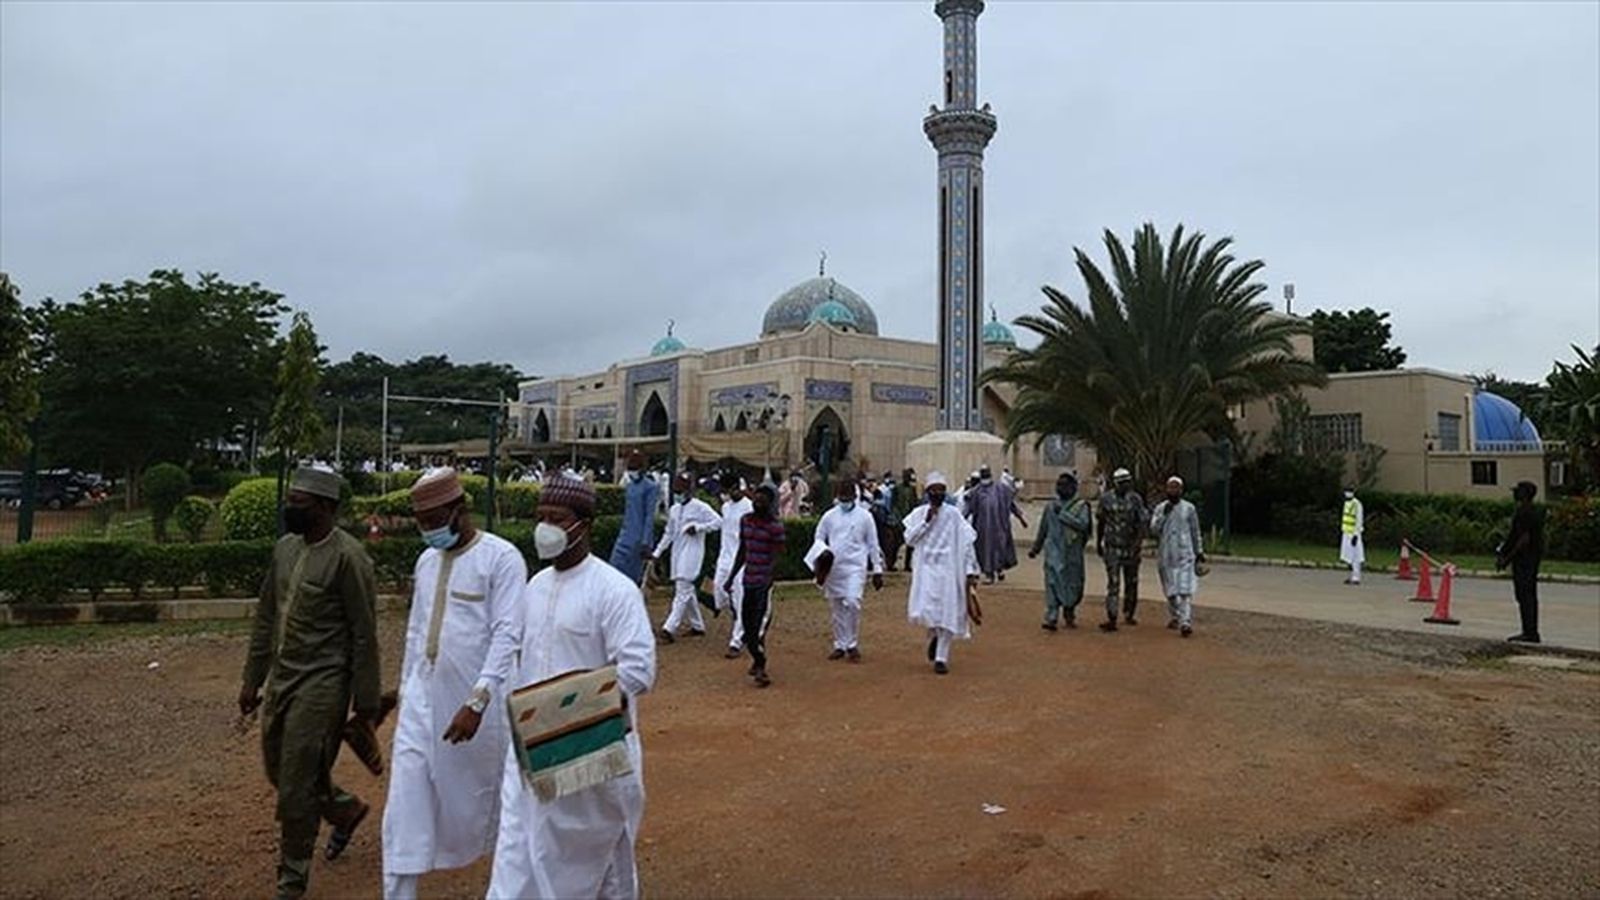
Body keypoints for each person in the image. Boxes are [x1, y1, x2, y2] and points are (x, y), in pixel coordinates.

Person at [487, 475, 657, 899]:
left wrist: (566, 710)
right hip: (532, 749)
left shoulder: (614, 590)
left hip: (590, 751)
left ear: (584, 524)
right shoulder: (534, 585)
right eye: (540, 517)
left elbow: (638, 669)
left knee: (601, 867)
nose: (544, 527)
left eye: (555, 518)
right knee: (518, 852)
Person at [381, 469, 525, 900]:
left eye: (433, 519)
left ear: (459, 510)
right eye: (420, 521)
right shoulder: (426, 561)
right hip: (421, 705)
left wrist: (477, 701)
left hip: (483, 710)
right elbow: (415, 633)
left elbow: (507, 634)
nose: (427, 529)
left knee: (496, 811)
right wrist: (404, 693)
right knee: (402, 809)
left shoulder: (501, 558)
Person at [238, 468, 381, 900]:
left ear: (326, 508)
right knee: (278, 767)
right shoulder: (284, 550)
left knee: (298, 781)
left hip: (324, 682)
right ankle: (343, 809)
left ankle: (291, 880)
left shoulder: (349, 558)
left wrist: (366, 701)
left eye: (300, 503)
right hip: (283, 676)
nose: (291, 509)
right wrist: (251, 680)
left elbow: (363, 631)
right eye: (291, 500)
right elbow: (266, 617)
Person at [903, 471, 980, 675]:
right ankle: (935, 636)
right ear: (927, 492)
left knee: (948, 610)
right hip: (926, 570)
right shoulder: (918, 514)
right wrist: (926, 522)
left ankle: (941, 658)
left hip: (948, 570)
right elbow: (910, 539)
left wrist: (970, 570)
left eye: (941, 490)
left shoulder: (954, 514)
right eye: (934, 490)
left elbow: (966, 543)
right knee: (930, 611)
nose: (938, 493)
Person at [808, 481, 886, 662]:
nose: (845, 501)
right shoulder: (829, 516)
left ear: (855, 496)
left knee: (852, 602)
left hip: (855, 568)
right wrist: (822, 553)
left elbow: (873, 544)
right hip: (834, 568)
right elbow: (819, 537)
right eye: (841, 498)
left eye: (848, 498)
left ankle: (852, 643)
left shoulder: (865, 517)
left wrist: (877, 569)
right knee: (836, 609)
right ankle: (840, 644)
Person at [724, 484, 787, 688]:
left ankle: (760, 666)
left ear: (770, 504)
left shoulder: (775, 526)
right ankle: (758, 658)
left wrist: (770, 578)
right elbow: (743, 551)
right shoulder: (746, 521)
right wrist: (731, 576)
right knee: (747, 626)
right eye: (756, 499)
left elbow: (778, 556)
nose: (757, 503)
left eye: (762, 501)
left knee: (757, 626)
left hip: (763, 583)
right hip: (747, 581)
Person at [651, 473, 721, 643]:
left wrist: (698, 527)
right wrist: (657, 553)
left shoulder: (700, 507)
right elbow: (668, 534)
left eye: (681, 490)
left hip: (692, 554)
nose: (678, 493)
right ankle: (698, 626)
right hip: (677, 554)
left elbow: (719, 521)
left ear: (690, 490)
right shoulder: (675, 509)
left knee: (682, 591)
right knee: (686, 591)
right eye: (676, 490)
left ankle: (669, 629)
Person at [1029, 472, 1092, 631]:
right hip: (1053, 553)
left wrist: (1063, 515)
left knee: (1072, 584)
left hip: (1072, 554)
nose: (1061, 488)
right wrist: (1036, 548)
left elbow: (1083, 525)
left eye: (1064, 485)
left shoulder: (1081, 506)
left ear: (1073, 488)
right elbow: (1043, 529)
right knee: (1051, 583)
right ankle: (1052, 616)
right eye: (1059, 485)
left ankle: (1069, 613)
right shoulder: (1050, 507)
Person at [1150, 475, 1203, 638]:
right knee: (1171, 591)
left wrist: (1199, 551)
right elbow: (1153, 530)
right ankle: (1175, 616)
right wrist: (1163, 516)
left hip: (1185, 554)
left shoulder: (1189, 508)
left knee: (1184, 590)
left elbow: (1195, 531)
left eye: (1176, 488)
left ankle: (1185, 621)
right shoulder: (1160, 508)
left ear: (1181, 490)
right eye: (1170, 487)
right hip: (1166, 556)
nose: (1173, 490)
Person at [1096, 467, 1148, 631]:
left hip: (1131, 547)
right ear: (1115, 483)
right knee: (1113, 583)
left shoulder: (1135, 499)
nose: (1125, 486)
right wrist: (1098, 542)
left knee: (1131, 582)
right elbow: (1101, 521)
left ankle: (1129, 613)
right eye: (1121, 483)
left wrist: (1137, 544)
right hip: (1112, 547)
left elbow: (1142, 523)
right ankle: (1112, 616)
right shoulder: (1106, 499)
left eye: (1127, 482)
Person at [1497, 480, 1545, 644]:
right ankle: (1529, 630)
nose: (1514, 493)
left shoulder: (1526, 512)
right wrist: (1503, 551)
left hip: (1526, 559)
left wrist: (1507, 558)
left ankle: (1530, 632)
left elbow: (1523, 539)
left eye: (1517, 491)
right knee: (1526, 595)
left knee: (1525, 595)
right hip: (1528, 558)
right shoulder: (1527, 511)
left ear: (1524, 494)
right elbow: (1513, 536)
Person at [964, 464, 1028, 584]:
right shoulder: (976, 491)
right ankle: (989, 575)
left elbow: (1011, 505)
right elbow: (968, 509)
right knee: (986, 550)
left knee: (1000, 548)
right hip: (983, 528)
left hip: (999, 525)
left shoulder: (1001, 489)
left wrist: (1021, 518)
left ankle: (999, 570)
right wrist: (960, 522)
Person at [712, 478, 753, 660]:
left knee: (740, 599)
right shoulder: (725, 507)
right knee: (719, 596)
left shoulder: (749, 507)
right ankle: (738, 614)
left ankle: (736, 641)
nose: (729, 493)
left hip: (742, 560)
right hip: (724, 559)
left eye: (732, 489)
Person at [608, 451, 659, 584]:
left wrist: (646, 542)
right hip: (624, 536)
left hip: (638, 540)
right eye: (630, 469)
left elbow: (649, 516)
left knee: (630, 579)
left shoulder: (651, 487)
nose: (631, 472)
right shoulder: (629, 486)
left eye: (634, 469)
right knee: (613, 571)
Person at [890, 468, 919, 572]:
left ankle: (907, 564)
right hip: (899, 519)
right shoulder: (897, 488)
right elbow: (893, 505)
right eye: (906, 476)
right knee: (896, 543)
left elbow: (915, 504)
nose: (907, 478)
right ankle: (891, 563)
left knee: (910, 543)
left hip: (910, 520)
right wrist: (897, 517)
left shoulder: (912, 490)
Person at [1340, 487, 1365, 585]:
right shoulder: (1347, 503)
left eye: (1349, 492)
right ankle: (1352, 576)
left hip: (1354, 534)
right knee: (1348, 556)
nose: (1347, 494)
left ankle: (1356, 577)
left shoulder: (1357, 504)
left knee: (1355, 556)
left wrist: (1356, 534)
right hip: (1346, 533)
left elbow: (1359, 520)